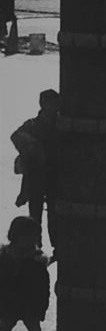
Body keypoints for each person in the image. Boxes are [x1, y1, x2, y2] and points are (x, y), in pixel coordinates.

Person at [0, 217, 54, 331]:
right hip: (8, 302)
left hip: (27, 304)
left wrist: (41, 307)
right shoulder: (4, 257)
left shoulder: (36, 262)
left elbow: (43, 288)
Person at [10, 89, 59, 259]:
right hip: (36, 177)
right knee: (35, 214)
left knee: (55, 214)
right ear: (43, 105)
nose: (54, 107)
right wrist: (32, 145)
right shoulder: (33, 125)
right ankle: (35, 246)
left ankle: (57, 247)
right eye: (51, 103)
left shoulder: (62, 125)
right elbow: (16, 136)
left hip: (55, 178)